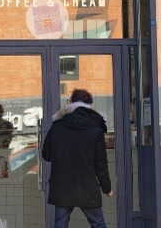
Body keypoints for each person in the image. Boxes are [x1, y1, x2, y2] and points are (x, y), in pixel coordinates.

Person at [43, 89, 113, 228]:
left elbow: (46, 155)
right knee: (98, 223)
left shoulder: (57, 126)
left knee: (60, 224)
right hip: (87, 185)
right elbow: (101, 164)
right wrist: (107, 188)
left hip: (62, 185)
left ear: (71, 103)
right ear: (90, 105)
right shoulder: (96, 128)